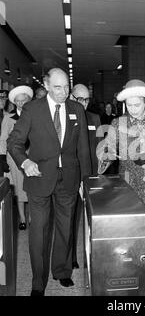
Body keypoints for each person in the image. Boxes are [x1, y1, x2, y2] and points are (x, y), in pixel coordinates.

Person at [7, 68, 91, 296]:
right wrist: (24, 162)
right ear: (46, 85)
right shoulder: (32, 109)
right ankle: (37, 282)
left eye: (66, 87)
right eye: (57, 87)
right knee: (39, 232)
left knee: (66, 228)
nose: (64, 92)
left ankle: (62, 271)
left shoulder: (77, 110)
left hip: (69, 178)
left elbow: (83, 148)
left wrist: (87, 180)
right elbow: (14, 142)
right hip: (39, 178)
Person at [96, 79, 145, 296]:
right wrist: (107, 154)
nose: (132, 110)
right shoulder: (116, 124)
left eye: (137, 105)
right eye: (129, 105)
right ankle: (131, 275)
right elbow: (107, 153)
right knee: (130, 235)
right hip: (128, 185)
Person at [70, 83, 101, 269]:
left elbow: (98, 148)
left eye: (86, 99)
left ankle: (92, 254)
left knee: (91, 219)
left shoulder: (94, 118)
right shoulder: (66, 116)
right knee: (70, 220)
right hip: (70, 176)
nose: (83, 103)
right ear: (72, 97)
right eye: (79, 99)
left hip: (90, 175)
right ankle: (71, 256)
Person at [0, 86, 33, 230]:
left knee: (33, 188)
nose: (21, 103)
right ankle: (23, 218)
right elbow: (3, 139)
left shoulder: (35, 115)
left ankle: (32, 217)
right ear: (14, 102)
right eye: (18, 101)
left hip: (32, 158)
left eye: (23, 100)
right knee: (19, 190)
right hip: (14, 159)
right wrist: (2, 157)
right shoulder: (8, 118)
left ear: (28, 101)